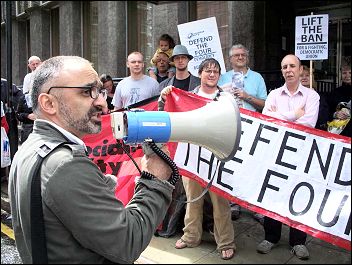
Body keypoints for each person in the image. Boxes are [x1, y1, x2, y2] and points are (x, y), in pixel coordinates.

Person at [8, 55, 174, 264]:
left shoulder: (31, 148)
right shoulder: (65, 165)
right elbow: (127, 242)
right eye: (87, 92)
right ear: (49, 103)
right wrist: (154, 180)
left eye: (100, 91)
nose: (103, 103)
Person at [159, 58, 236, 260]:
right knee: (193, 200)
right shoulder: (189, 97)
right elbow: (169, 114)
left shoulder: (226, 99)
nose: (211, 74)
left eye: (216, 71)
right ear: (200, 73)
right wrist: (166, 96)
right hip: (193, 157)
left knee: (221, 203)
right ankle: (191, 236)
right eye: (208, 70)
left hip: (218, 159)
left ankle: (226, 242)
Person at [257, 54, 320, 260]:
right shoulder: (274, 94)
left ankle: (298, 242)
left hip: (301, 153)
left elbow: (309, 123)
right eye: (284, 67)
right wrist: (294, 115)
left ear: (301, 69)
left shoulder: (312, 96)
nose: (288, 70)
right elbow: (267, 120)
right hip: (276, 151)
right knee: (272, 192)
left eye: (292, 66)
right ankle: (271, 237)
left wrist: (280, 116)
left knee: (298, 196)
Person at [218, 44, 268, 223]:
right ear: (230, 59)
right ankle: (233, 203)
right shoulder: (223, 77)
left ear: (247, 57)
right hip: (231, 126)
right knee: (231, 165)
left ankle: (253, 205)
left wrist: (247, 96)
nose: (240, 57)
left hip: (253, 127)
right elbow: (215, 100)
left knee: (253, 166)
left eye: (243, 55)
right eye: (236, 55)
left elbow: (265, 105)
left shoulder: (257, 78)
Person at [300, 65, 329, 130]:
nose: (304, 78)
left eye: (307, 75)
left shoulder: (319, 97)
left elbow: (323, 116)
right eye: (301, 75)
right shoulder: (292, 95)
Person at [326, 60, 351, 137]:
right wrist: (336, 114)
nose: (347, 75)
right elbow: (326, 111)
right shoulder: (335, 92)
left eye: (350, 73)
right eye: (344, 73)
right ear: (340, 75)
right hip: (339, 133)